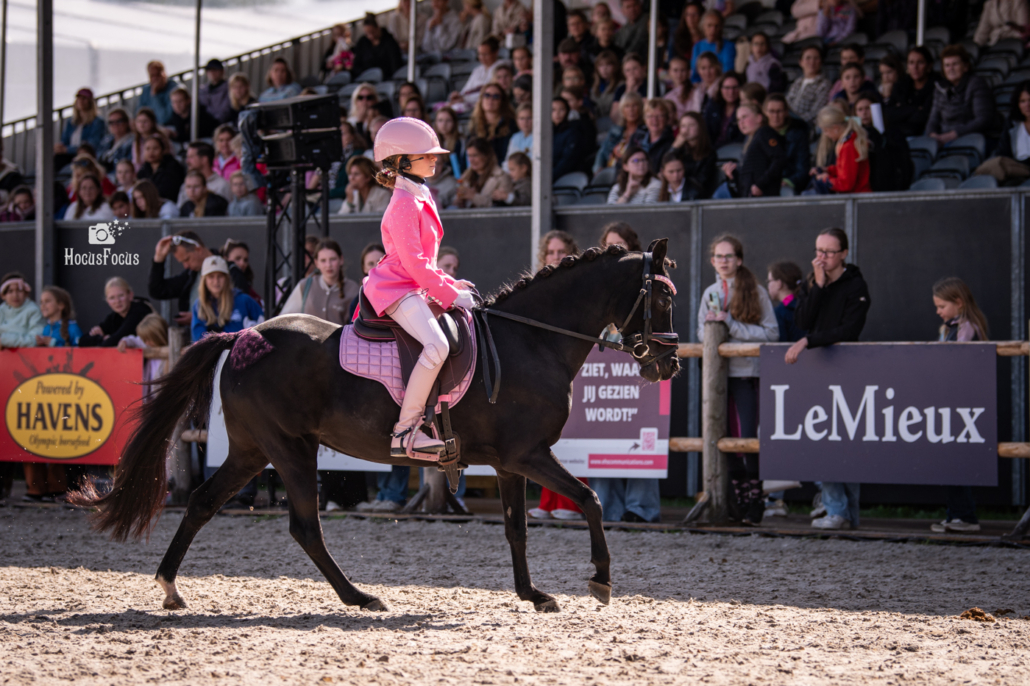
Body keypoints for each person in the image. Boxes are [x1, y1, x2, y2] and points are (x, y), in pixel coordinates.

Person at [362, 117, 477, 459]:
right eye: (425, 154)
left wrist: (450, 282)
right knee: (437, 346)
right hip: (396, 288)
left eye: (433, 154)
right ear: (402, 161)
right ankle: (405, 431)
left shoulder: (420, 194)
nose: (434, 159)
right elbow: (414, 265)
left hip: (411, 284)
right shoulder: (403, 202)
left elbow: (426, 261)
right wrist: (451, 295)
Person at [785, 228, 871, 530]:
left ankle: (849, 513)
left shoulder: (856, 285)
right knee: (822, 438)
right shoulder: (813, 282)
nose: (821, 258)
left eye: (829, 252)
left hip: (846, 369)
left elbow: (849, 329)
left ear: (844, 254)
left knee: (845, 441)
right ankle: (835, 508)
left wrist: (808, 342)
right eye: (818, 251)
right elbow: (801, 321)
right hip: (818, 369)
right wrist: (819, 286)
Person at [698, 235, 778, 524]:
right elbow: (700, 333)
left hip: (746, 375)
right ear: (712, 261)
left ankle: (756, 501)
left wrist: (730, 325)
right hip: (717, 381)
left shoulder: (756, 291)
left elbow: (772, 334)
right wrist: (713, 329)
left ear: (739, 260)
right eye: (718, 256)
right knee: (723, 438)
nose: (723, 261)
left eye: (728, 256)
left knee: (746, 439)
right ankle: (738, 502)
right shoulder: (709, 292)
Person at [929, 277, 990, 533]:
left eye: (942, 306)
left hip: (963, 403)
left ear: (959, 302)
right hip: (950, 402)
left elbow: (960, 363)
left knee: (957, 459)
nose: (938, 311)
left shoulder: (968, 329)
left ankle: (965, 516)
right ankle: (955, 514)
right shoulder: (949, 328)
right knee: (949, 459)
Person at [150, 230, 250, 326]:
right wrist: (159, 258)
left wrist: (199, 317)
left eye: (187, 259)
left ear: (198, 249)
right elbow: (158, 290)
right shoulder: (191, 274)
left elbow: (239, 309)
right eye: (211, 277)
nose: (186, 266)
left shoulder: (231, 271)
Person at [713, 103, 786, 198]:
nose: (741, 122)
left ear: (759, 118)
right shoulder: (751, 141)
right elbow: (748, 180)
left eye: (744, 117)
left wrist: (761, 185)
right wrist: (733, 175)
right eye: (738, 119)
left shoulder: (764, 132)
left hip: (764, 199)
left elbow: (779, 158)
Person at [925, 45, 995, 143]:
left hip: (969, 140)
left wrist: (953, 135)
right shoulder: (940, 88)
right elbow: (933, 120)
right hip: (942, 140)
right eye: (947, 65)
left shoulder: (976, 84)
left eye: (955, 64)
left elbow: (983, 119)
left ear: (965, 67)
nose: (951, 69)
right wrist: (932, 135)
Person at [279, 238, 358, 324]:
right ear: (316, 263)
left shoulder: (353, 289)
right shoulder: (305, 285)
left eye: (333, 259)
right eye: (323, 260)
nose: (328, 265)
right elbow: (285, 319)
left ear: (341, 259)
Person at [191, 256, 264, 342]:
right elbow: (199, 338)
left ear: (227, 278)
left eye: (220, 276)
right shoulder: (199, 305)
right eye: (211, 276)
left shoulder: (244, 300)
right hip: (213, 349)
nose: (216, 281)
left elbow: (264, 325)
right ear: (204, 280)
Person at [805, 106, 871, 194]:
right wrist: (827, 170)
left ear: (835, 128)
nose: (826, 135)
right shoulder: (849, 141)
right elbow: (846, 170)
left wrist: (825, 179)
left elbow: (846, 184)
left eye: (826, 131)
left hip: (858, 198)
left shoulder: (848, 146)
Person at [78, 277, 156, 348]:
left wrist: (109, 339)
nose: (117, 301)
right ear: (107, 301)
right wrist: (101, 338)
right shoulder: (114, 317)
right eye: (112, 298)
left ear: (130, 295)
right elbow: (82, 341)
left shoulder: (140, 310)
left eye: (121, 296)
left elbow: (118, 338)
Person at [883, 46, 938, 138]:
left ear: (929, 65)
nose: (915, 67)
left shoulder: (936, 86)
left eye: (920, 62)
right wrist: (916, 109)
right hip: (900, 134)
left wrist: (902, 110)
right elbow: (889, 114)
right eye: (911, 63)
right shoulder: (901, 85)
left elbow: (924, 117)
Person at [117, 313, 171, 399]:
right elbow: (134, 341)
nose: (146, 343)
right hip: (151, 395)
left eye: (148, 339)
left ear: (158, 336)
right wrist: (125, 341)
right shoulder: (148, 345)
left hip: (164, 396)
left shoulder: (172, 348)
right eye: (144, 340)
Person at [763, 94, 810, 194]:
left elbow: (803, 169)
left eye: (779, 111)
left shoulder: (798, 135)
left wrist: (788, 182)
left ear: (786, 112)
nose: (775, 116)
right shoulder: (759, 134)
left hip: (788, 187)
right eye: (771, 111)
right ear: (764, 112)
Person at [466, 82, 516, 167]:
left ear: (502, 101)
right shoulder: (475, 125)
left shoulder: (510, 124)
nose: (490, 99)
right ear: (481, 99)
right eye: (487, 95)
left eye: (496, 96)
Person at [595, 91, 646, 172]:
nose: (631, 110)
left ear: (640, 108)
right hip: (610, 170)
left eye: (635, 105)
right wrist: (598, 169)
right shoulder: (615, 130)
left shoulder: (645, 131)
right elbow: (602, 152)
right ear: (622, 110)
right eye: (627, 106)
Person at [456, 137, 513, 208]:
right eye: (469, 156)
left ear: (486, 156)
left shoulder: (502, 177)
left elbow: (501, 207)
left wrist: (473, 196)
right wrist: (458, 201)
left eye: (475, 155)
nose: (471, 160)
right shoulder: (465, 176)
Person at [672, 112, 718, 199]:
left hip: (696, 197)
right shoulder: (679, 151)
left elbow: (702, 182)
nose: (686, 130)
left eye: (691, 125)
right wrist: (674, 148)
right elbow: (666, 167)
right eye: (683, 126)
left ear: (700, 127)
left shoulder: (709, 153)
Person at [54, 88, 106, 164]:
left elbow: (91, 145)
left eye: (84, 98)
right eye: (79, 98)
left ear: (90, 102)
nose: (81, 101)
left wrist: (68, 149)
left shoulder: (97, 122)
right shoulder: (71, 121)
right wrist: (60, 147)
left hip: (84, 155)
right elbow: (64, 139)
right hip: (69, 153)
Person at [786, 46, 832, 127]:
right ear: (801, 62)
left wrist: (795, 122)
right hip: (788, 120)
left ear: (821, 62)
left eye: (816, 58)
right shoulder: (797, 82)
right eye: (808, 58)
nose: (812, 62)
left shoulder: (824, 84)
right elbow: (787, 102)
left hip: (804, 125)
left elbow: (816, 112)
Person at [452, 36, 505, 106]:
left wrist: (465, 99)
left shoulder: (502, 68)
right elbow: (466, 89)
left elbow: (490, 92)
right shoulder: (477, 70)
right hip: (466, 101)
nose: (482, 57)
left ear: (495, 52)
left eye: (485, 54)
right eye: (480, 54)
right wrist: (458, 95)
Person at [352, 12, 404, 81]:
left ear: (378, 28)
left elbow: (395, 63)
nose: (371, 36)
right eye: (367, 34)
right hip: (366, 78)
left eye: (372, 32)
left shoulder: (389, 41)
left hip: (386, 78)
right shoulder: (362, 42)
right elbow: (357, 63)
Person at [0, 274, 44, 349]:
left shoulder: (34, 311)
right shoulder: (1, 310)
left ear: (26, 293)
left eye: (19, 290)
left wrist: (4, 340)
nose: (15, 295)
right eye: (10, 291)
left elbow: (36, 339)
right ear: (3, 295)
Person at [136, 135, 185, 202]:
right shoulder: (143, 169)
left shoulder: (173, 167)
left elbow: (169, 192)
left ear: (163, 150)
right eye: (147, 149)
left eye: (155, 148)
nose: (151, 152)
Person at [691, 11, 735, 81]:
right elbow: (694, 74)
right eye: (709, 25)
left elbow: (727, 73)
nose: (713, 30)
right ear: (703, 27)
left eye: (716, 26)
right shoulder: (697, 46)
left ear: (721, 27)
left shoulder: (728, 46)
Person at [704, 72, 744, 148]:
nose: (731, 92)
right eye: (727, 88)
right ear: (721, 89)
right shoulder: (712, 105)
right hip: (712, 149)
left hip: (735, 150)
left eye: (735, 87)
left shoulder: (744, 108)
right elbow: (706, 131)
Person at [552, 97, 587, 180]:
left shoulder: (573, 133)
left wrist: (549, 177)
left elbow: (567, 161)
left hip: (565, 178)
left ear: (567, 111)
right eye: (553, 110)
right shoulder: (547, 132)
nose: (557, 113)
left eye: (561, 110)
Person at [222, 239, 263, 308]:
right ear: (225, 259)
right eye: (237, 258)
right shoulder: (219, 284)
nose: (242, 263)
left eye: (245, 260)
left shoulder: (247, 283)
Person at [640, 99, 676, 174]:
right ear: (645, 119)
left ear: (666, 119)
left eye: (659, 116)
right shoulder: (637, 137)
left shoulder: (672, 143)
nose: (655, 120)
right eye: (650, 116)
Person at [96, 107, 134, 171]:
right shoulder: (106, 141)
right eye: (111, 122)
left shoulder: (133, 141)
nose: (115, 125)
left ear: (127, 122)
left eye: (119, 121)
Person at [592, 51, 625, 121]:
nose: (604, 69)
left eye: (608, 65)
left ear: (615, 66)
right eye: (601, 65)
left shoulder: (621, 86)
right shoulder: (594, 87)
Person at [198, 59, 233, 124]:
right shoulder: (202, 90)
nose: (212, 72)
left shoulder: (229, 87)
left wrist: (214, 123)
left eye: (215, 69)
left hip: (222, 124)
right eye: (209, 70)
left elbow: (226, 110)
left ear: (222, 71)